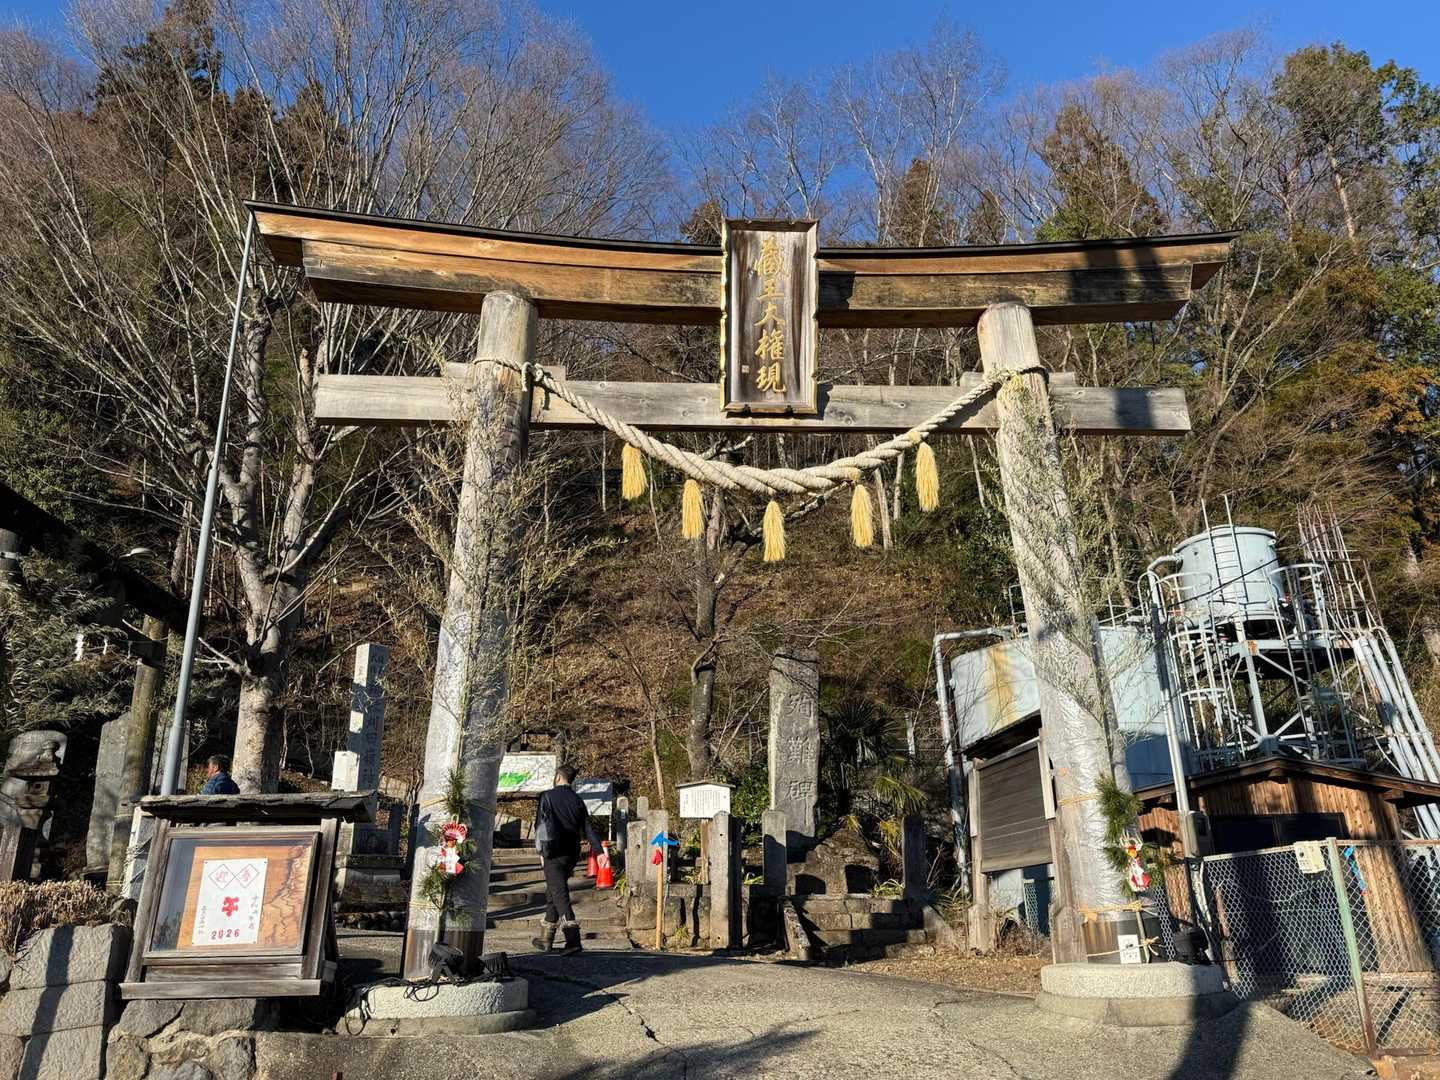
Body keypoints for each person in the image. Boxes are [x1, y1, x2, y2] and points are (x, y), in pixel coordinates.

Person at [532, 763, 601, 956]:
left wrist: (540, 853)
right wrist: (599, 852)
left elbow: (539, 826)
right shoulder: (577, 800)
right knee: (555, 891)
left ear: (557, 777)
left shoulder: (547, 796)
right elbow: (588, 828)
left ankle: (573, 940)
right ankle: (545, 939)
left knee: (560, 894)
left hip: (552, 852)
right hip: (572, 853)